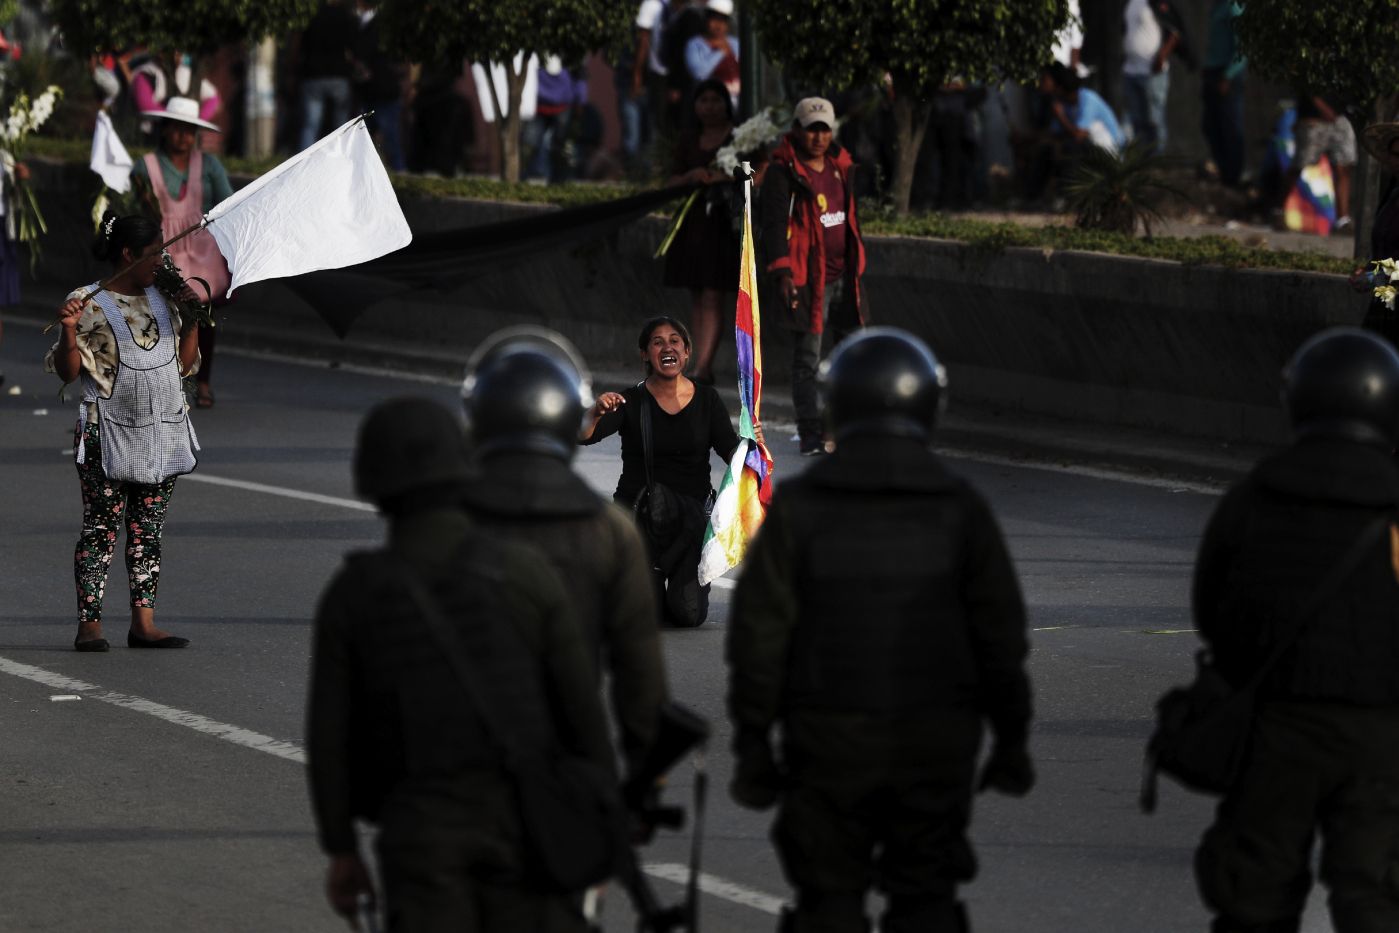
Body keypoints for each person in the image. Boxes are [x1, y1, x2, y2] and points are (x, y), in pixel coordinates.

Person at [726, 328, 1034, 933]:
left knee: (828, 901)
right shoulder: (959, 506)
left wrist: (754, 745)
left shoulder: (799, 508)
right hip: (935, 743)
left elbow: (759, 640)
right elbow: (1000, 638)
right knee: (926, 900)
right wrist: (1012, 739)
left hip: (827, 741)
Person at [308, 397, 613, 932]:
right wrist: (599, 830)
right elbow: (582, 714)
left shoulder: (354, 595)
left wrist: (341, 849)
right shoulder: (525, 573)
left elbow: (329, 737)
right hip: (528, 827)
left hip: (421, 835)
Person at [1191, 327, 1399, 933]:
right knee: (1374, 894)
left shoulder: (1256, 496)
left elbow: (1215, 607)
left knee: (1255, 893)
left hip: (1279, 723)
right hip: (1382, 733)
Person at [459, 328, 667, 774]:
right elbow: (639, 675)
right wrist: (648, 778)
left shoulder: (446, 522)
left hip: (456, 766)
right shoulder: (610, 531)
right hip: (564, 758)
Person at [45, 213, 200, 652]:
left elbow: (184, 366)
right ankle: (89, 625)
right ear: (129, 254)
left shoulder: (165, 299)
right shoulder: (89, 301)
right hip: (105, 434)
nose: (162, 260)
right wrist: (70, 330)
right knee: (100, 528)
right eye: (155, 251)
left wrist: (192, 319)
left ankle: (143, 624)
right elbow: (69, 371)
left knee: (148, 530)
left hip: (162, 432)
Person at [578, 316, 746, 628]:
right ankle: (635, 578)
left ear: (686, 352)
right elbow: (584, 436)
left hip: (689, 521)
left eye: (674, 341)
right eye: (657, 342)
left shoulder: (707, 399)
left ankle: (672, 581)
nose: (667, 347)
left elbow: (732, 451)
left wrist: (753, 448)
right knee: (643, 618)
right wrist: (595, 411)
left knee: (687, 616)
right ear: (645, 354)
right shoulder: (631, 400)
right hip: (640, 519)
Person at [760, 96, 866, 456]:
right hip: (808, 279)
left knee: (851, 355)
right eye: (811, 130)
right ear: (797, 131)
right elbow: (773, 226)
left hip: (845, 277)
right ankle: (810, 432)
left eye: (824, 129)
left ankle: (840, 427)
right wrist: (782, 273)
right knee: (807, 359)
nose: (818, 137)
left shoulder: (840, 165)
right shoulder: (782, 172)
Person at [131, 95, 232, 411]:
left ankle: (202, 381)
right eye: (176, 129)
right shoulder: (145, 167)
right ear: (164, 130)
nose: (183, 137)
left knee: (204, 319)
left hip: (202, 252)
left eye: (189, 130)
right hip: (161, 252)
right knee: (160, 319)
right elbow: (132, 210)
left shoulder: (209, 166)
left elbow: (227, 203)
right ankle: (165, 382)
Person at [663, 78, 740, 384]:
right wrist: (692, 177)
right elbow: (671, 181)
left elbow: (758, 172)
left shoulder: (737, 138)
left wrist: (725, 176)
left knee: (712, 295)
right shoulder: (688, 140)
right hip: (694, 223)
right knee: (697, 295)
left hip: (721, 224)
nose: (710, 107)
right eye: (704, 101)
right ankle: (697, 362)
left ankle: (704, 365)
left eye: (716, 100)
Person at [1122, 0, 1187, 154]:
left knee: (1154, 119)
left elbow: (1175, 31)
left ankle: (1157, 159)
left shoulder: (1157, 3)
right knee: (1136, 119)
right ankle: (1142, 160)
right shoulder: (1131, 3)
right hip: (1131, 70)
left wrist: (1162, 56)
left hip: (1153, 72)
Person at [1290, 91, 1356, 232]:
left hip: (1341, 117)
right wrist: (1321, 106)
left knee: (1343, 167)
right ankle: (1278, 208)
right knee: (1299, 165)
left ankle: (1342, 219)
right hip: (1314, 118)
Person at [297, 0, 357, 151]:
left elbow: (300, 46)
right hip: (339, 76)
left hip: (314, 75)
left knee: (310, 125)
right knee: (340, 127)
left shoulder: (312, 15)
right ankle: (339, 157)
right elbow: (352, 48)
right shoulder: (345, 16)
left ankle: (304, 160)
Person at [1200, 0, 1246, 188]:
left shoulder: (1233, 7)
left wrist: (1228, 76)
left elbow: (1242, 49)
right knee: (1210, 125)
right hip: (1212, 72)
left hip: (1226, 74)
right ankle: (1224, 171)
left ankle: (1233, 176)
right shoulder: (1216, 8)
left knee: (1230, 127)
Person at [684, 0, 739, 112]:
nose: (718, 25)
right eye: (714, 19)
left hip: (737, 104)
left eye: (723, 21)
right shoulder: (695, 44)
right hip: (709, 107)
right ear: (706, 20)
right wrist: (720, 52)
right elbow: (700, 74)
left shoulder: (734, 43)